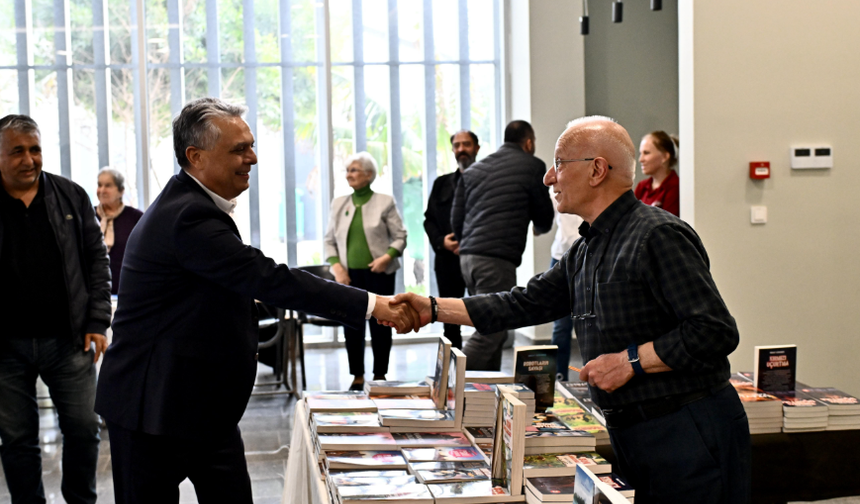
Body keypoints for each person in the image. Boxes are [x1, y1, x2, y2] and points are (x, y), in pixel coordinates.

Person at [392, 117, 751, 504]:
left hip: (687, 431)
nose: (548, 178)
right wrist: (432, 308)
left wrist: (632, 361)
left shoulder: (656, 235)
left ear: (597, 169)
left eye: (559, 163)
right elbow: (523, 301)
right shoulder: (586, 247)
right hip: (635, 432)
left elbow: (714, 330)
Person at [94, 98, 418, 504]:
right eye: (239, 149)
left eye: (250, 145)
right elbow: (267, 278)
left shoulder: (191, 205)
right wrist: (374, 306)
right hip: (153, 407)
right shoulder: (188, 217)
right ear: (196, 157)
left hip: (196, 403)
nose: (253, 157)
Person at [0, 114, 111, 504]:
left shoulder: (71, 196)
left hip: (70, 339)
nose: (29, 159)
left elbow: (97, 261)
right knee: (16, 439)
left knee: (83, 428)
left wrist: (98, 319)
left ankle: (81, 500)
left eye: (35, 149)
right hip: (6, 348)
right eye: (18, 151)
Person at [450, 120, 554, 370]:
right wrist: (539, 228)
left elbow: (456, 218)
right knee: (493, 330)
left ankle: (484, 396)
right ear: (529, 143)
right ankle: (451, 384)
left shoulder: (475, 170)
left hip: (468, 259)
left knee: (490, 324)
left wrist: (467, 242)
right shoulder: (532, 165)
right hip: (495, 259)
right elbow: (544, 215)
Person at [324, 151, 408, 390]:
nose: (349, 174)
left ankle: (380, 374)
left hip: (379, 273)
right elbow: (329, 240)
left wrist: (387, 257)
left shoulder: (385, 201)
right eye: (348, 170)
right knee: (352, 325)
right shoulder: (339, 203)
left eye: (354, 170)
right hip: (348, 277)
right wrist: (337, 267)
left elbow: (401, 236)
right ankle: (357, 376)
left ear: (369, 175)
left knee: (382, 325)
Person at [423, 130, 480, 349]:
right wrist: (441, 242)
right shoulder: (441, 184)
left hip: (478, 258)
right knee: (449, 320)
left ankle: (481, 375)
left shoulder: (486, 182)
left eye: (466, 144)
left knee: (485, 315)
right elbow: (429, 220)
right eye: (457, 145)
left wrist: (468, 243)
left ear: (476, 148)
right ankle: (454, 373)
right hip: (447, 261)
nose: (461, 149)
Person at [548, 190, 582, 381]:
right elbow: (548, 218)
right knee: (561, 323)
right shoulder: (555, 186)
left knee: (596, 321)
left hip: (591, 254)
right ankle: (558, 376)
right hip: (561, 256)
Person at [95, 167, 144, 295]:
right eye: (99, 185)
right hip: (95, 290)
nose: (102, 190)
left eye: (108, 185)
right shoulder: (87, 215)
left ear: (121, 191)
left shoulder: (136, 217)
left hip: (127, 290)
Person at [634, 130, 679, 216]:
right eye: (641, 153)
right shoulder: (642, 187)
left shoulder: (675, 187)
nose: (641, 159)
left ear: (665, 156)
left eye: (646, 153)